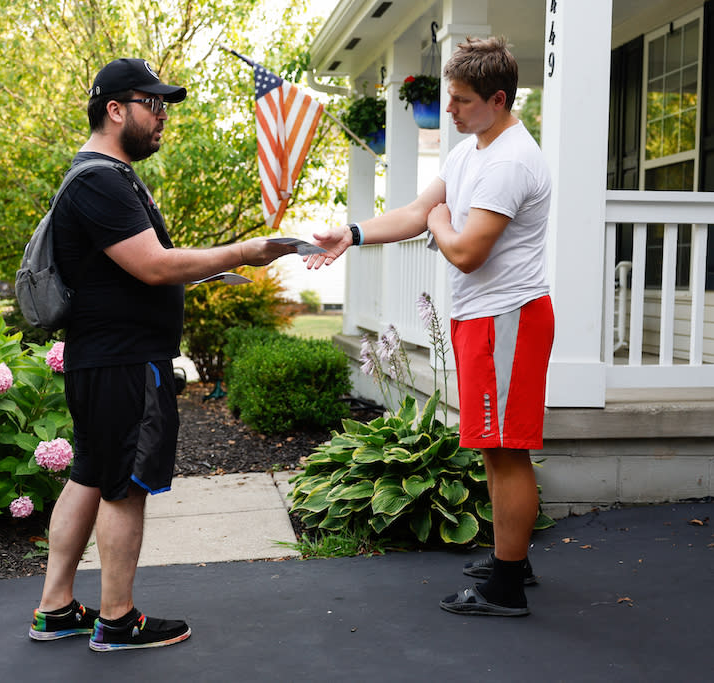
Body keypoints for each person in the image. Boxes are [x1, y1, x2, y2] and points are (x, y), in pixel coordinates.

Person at [27, 57, 295, 652]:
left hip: (106, 358)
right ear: (115, 109)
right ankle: (118, 620)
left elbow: (131, 270)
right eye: (154, 105)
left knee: (91, 475)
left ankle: (55, 608)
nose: (163, 118)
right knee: (123, 484)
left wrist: (197, 276)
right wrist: (242, 251)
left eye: (164, 106)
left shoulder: (106, 178)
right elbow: (151, 265)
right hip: (123, 362)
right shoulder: (100, 180)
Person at [307, 36, 553, 617]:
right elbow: (419, 212)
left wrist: (442, 223)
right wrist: (353, 233)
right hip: (481, 319)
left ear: (497, 99)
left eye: (462, 101)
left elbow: (463, 251)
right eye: (449, 97)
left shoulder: (511, 160)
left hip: (506, 319)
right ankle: (508, 557)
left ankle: (508, 586)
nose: (449, 111)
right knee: (494, 449)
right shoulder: (471, 149)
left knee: (507, 449)